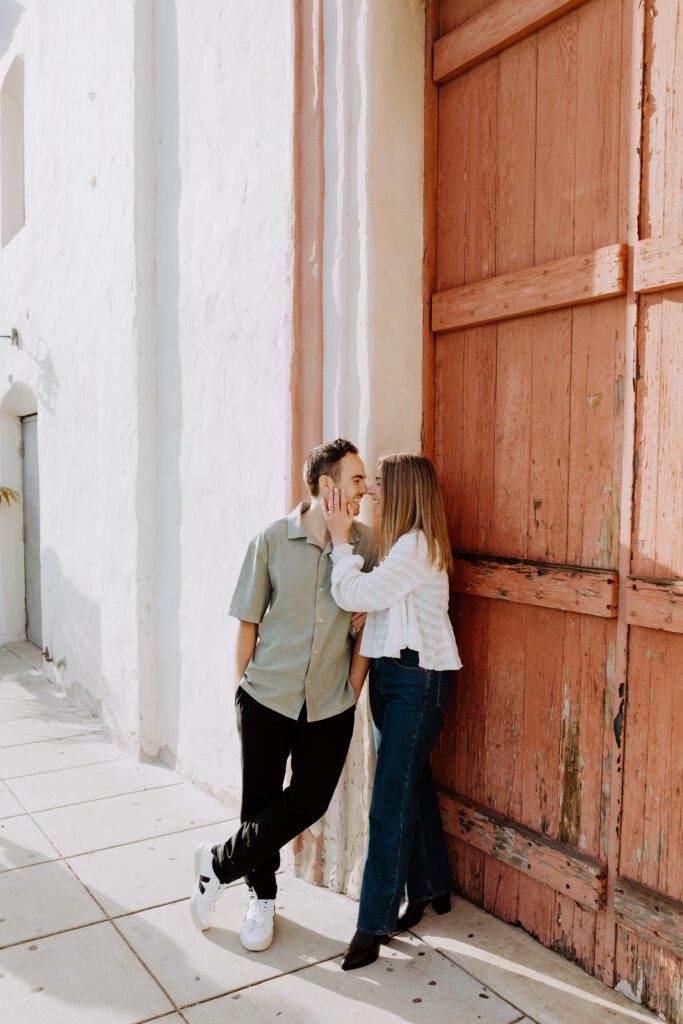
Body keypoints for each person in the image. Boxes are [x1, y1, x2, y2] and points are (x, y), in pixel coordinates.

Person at [190, 438, 377, 952]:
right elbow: (248, 621)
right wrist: (241, 693)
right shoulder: (271, 539)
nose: (366, 489)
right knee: (261, 803)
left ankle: (217, 863)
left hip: (330, 701)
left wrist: (353, 687)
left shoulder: (367, 546)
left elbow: (369, 628)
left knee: (311, 797)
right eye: (357, 479)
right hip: (266, 695)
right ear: (326, 485)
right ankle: (262, 896)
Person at [322, 452, 462, 971]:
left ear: (404, 490)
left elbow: (353, 590)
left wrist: (340, 541)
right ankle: (432, 886)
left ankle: (372, 924)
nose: (372, 492)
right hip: (393, 677)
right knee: (413, 783)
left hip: (416, 683)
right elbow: (378, 601)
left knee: (389, 802)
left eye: (380, 483)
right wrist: (369, 606)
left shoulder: (417, 546)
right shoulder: (402, 547)